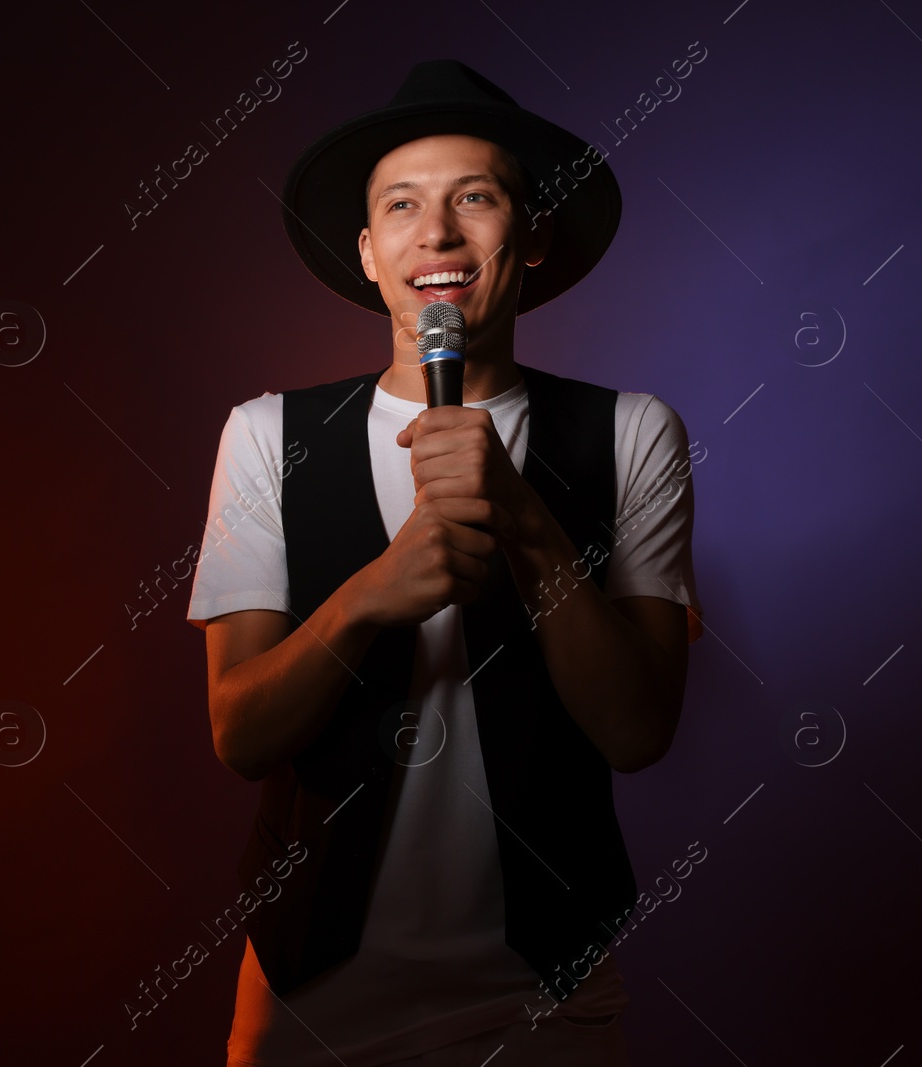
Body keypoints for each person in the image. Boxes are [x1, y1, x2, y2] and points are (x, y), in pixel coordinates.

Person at [185, 60, 705, 1066]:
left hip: (548, 995)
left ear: (534, 235)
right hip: (310, 993)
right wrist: (368, 598)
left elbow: (638, 728)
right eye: (403, 206)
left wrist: (523, 515)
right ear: (371, 253)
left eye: (475, 197)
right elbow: (239, 732)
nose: (439, 234)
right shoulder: (264, 435)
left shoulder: (631, 431)